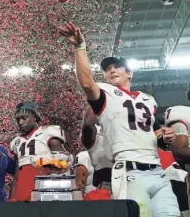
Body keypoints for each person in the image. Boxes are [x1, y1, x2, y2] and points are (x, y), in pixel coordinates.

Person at [59, 21, 180, 217]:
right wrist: (79, 47)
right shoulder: (106, 94)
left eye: (118, 67)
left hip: (158, 171)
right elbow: (88, 84)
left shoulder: (148, 99)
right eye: (108, 69)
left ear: (130, 73)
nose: (112, 70)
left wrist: (165, 134)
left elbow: (155, 132)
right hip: (129, 172)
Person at [10, 101, 67, 201]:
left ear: (35, 117)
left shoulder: (48, 132)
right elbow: (17, 174)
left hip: (45, 185)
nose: (20, 122)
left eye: (24, 118)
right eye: (18, 119)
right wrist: (12, 198)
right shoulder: (16, 141)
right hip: (23, 187)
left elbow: (63, 163)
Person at [81, 106, 113, 190]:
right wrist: (98, 101)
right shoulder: (95, 133)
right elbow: (88, 124)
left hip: (130, 179)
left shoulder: (124, 131)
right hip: (105, 182)